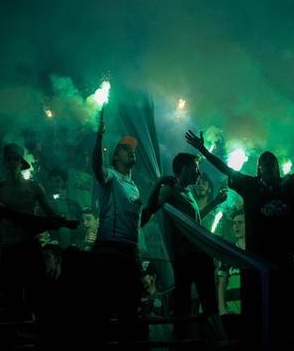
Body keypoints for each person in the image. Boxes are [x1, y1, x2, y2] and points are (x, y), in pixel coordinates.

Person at [186, 125, 294, 346]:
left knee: (289, 309)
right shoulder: (249, 185)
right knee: (256, 309)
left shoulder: (290, 184)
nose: (269, 169)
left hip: (283, 258)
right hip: (257, 260)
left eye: (272, 165)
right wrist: (203, 150)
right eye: (265, 166)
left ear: (277, 168)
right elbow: (224, 169)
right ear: (259, 169)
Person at [0, 143, 72, 319]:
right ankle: (16, 335)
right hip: (10, 247)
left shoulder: (34, 187)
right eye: (9, 159)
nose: (12, 162)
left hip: (30, 245)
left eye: (15, 159)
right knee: (12, 297)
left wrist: (62, 221)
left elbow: (51, 215)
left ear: (21, 162)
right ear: (4, 163)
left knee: (38, 293)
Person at [144, 152, 227, 328]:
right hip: (184, 255)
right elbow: (151, 207)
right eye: (196, 169)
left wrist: (215, 202)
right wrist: (158, 183)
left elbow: (193, 222)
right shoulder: (169, 190)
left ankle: (212, 336)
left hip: (199, 254)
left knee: (208, 301)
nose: (199, 173)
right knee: (184, 301)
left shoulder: (188, 193)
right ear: (185, 169)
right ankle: (182, 338)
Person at [89, 122, 145, 343]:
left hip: (129, 254)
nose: (130, 151)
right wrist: (99, 139)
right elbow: (96, 167)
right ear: (114, 157)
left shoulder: (135, 187)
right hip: (109, 252)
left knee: (128, 313)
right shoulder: (110, 175)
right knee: (103, 311)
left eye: (132, 150)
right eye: (124, 148)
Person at [217, 210, 245, 315]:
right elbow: (222, 283)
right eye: (234, 223)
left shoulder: (256, 252)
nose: (236, 226)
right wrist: (222, 309)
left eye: (240, 222)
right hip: (233, 310)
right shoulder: (229, 253)